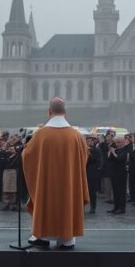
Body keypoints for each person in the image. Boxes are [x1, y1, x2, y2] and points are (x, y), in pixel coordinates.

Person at [22, 97, 89, 249]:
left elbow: (27, 156)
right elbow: (83, 158)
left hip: (47, 183)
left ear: (49, 112)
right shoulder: (77, 136)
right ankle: (67, 239)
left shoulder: (40, 135)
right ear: (65, 112)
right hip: (69, 183)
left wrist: (25, 148)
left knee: (45, 201)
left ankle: (42, 235)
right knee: (68, 202)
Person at [107, 137, 128, 215]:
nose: (117, 144)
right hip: (114, 173)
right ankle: (116, 207)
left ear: (123, 142)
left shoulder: (125, 150)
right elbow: (109, 159)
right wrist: (110, 151)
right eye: (116, 142)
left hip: (121, 173)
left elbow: (119, 159)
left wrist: (113, 152)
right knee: (115, 191)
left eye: (119, 142)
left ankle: (121, 208)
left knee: (121, 192)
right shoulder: (116, 150)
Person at [85, 135, 102, 214]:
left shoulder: (97, 150)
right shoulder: (83, 149)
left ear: (93, 142)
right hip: (84, 173)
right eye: (87, 141)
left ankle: (93, 207)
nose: (89, 143)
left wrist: (89, 153)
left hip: (93, 173)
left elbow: (96, 160)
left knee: (92, 191)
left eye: (90, 141)